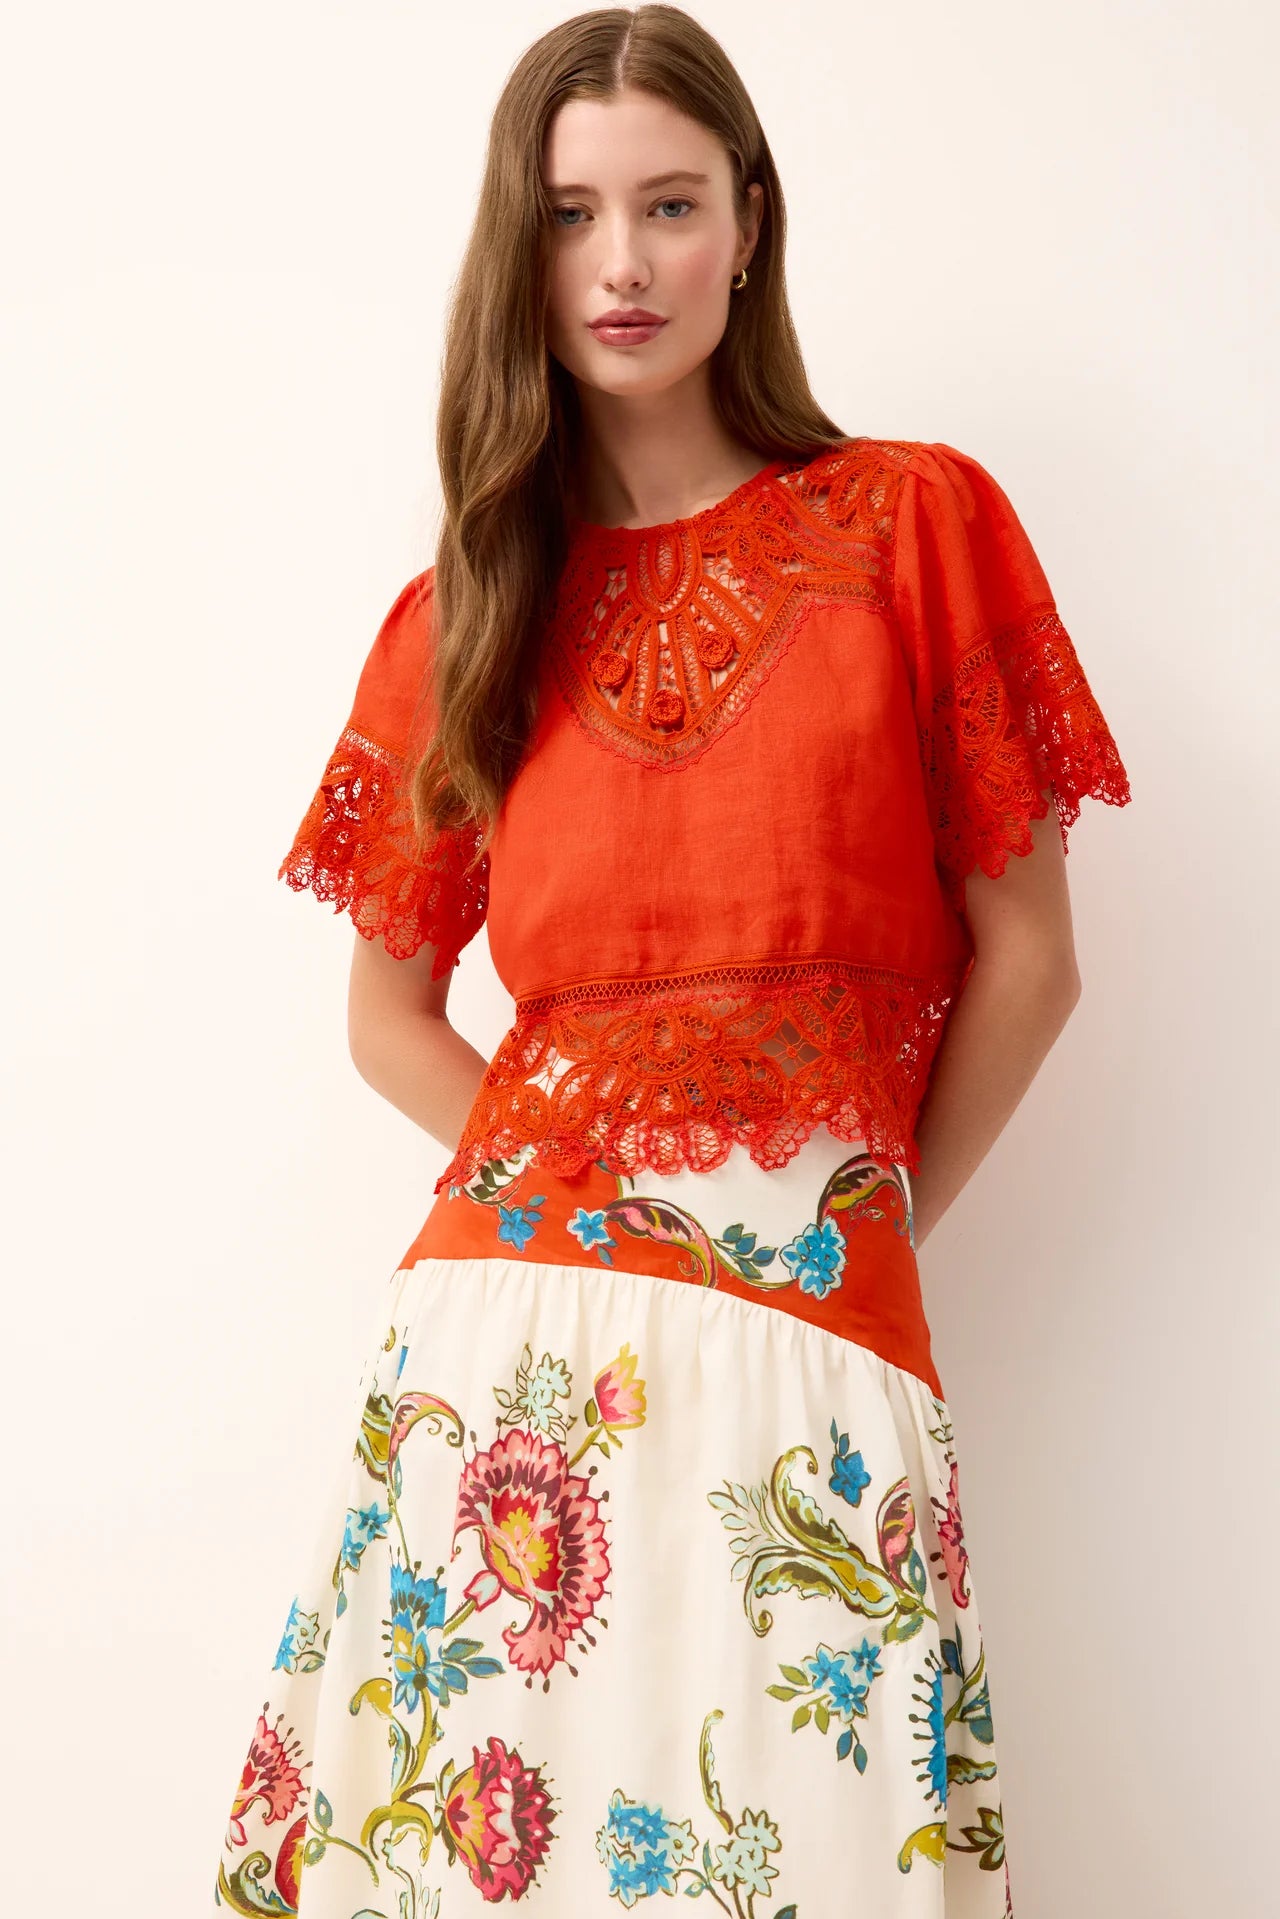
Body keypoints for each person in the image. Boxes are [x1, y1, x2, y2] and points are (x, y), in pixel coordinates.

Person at [212, 8, 1132, 1915]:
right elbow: (387, 1010)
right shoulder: (468, 608)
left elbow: (1028, 957)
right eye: (568, 215)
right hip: (505, 1346)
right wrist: (586, 1204)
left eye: (669, 204)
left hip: (812, 1319)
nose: (620, 263)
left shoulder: (909, 529)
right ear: (516, 248)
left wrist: (846, 1239)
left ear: (750, 225)